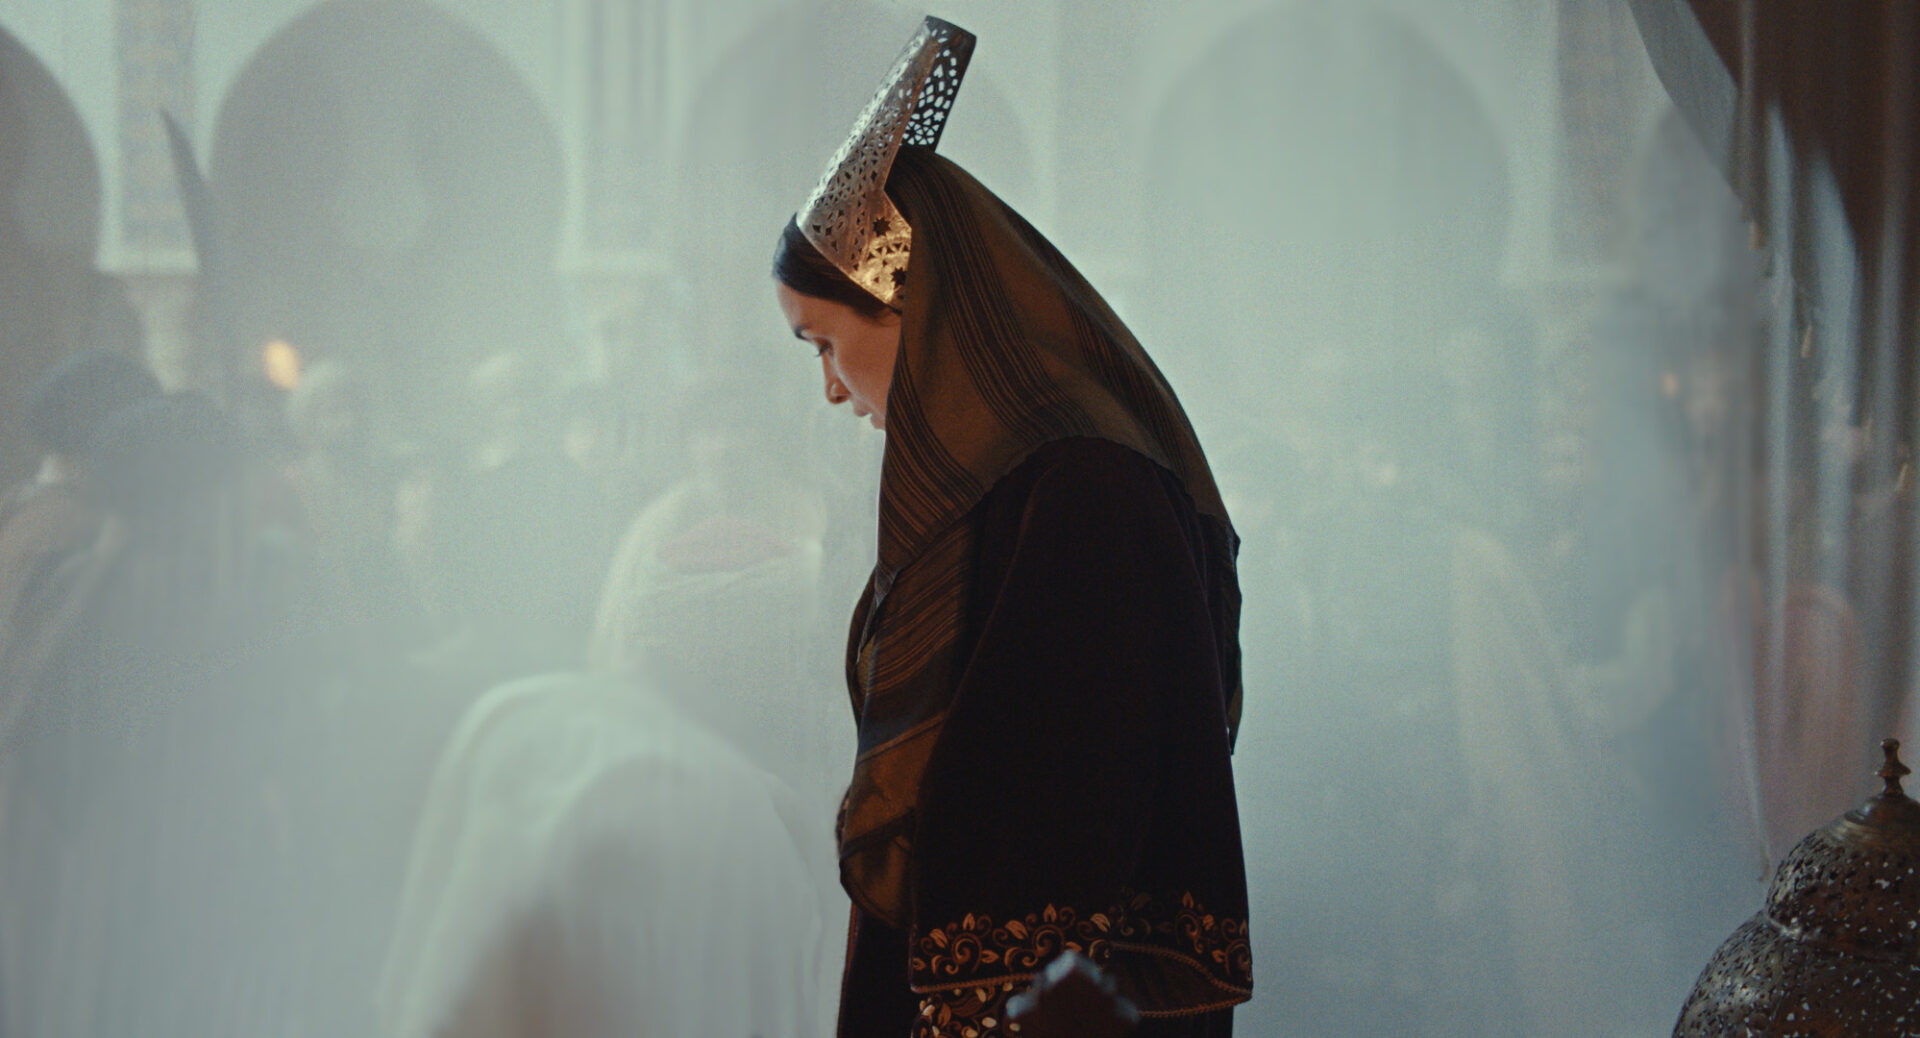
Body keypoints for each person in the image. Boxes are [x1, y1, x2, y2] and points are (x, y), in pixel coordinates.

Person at [771, 19, 1250, 1037]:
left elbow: (1065, 815)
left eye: (823, 343)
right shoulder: (1014, 480)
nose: (830, 389)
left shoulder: (1081, 485)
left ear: (909, 304)